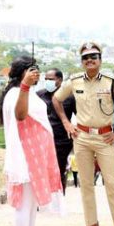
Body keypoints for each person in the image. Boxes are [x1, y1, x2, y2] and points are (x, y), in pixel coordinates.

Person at [52, 42, 114, 226]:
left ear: (100, 60)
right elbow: (56, 99)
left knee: (112, 183)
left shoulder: (111, 82)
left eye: (94, 56)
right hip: (81, 137)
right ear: (81, 62)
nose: (89, 60)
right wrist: (66, 122)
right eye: (85, 57)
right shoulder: (74, 81)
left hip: (105, 138)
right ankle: (91, 222)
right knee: (86, 182)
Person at [0, 56, 62, 226]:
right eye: (31, 70)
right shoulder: (16, 94)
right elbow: (20, 115)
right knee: (24, 203)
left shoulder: (27, 92)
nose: (36, 73)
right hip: (25, 156)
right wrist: (25, 86)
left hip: (36, 155)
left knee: (32, 200)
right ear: (22, 73)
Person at [36, 67, 76, 195]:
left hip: (62, 140)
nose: (48, 81)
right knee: (41, 169)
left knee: (59, 169)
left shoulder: (70, 97)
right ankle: (42, 197)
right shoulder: (39, 95)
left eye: (51, 79)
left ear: (60, 80)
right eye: (46, 79)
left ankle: (59, 197)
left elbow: (80, 116)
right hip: (42, 139)